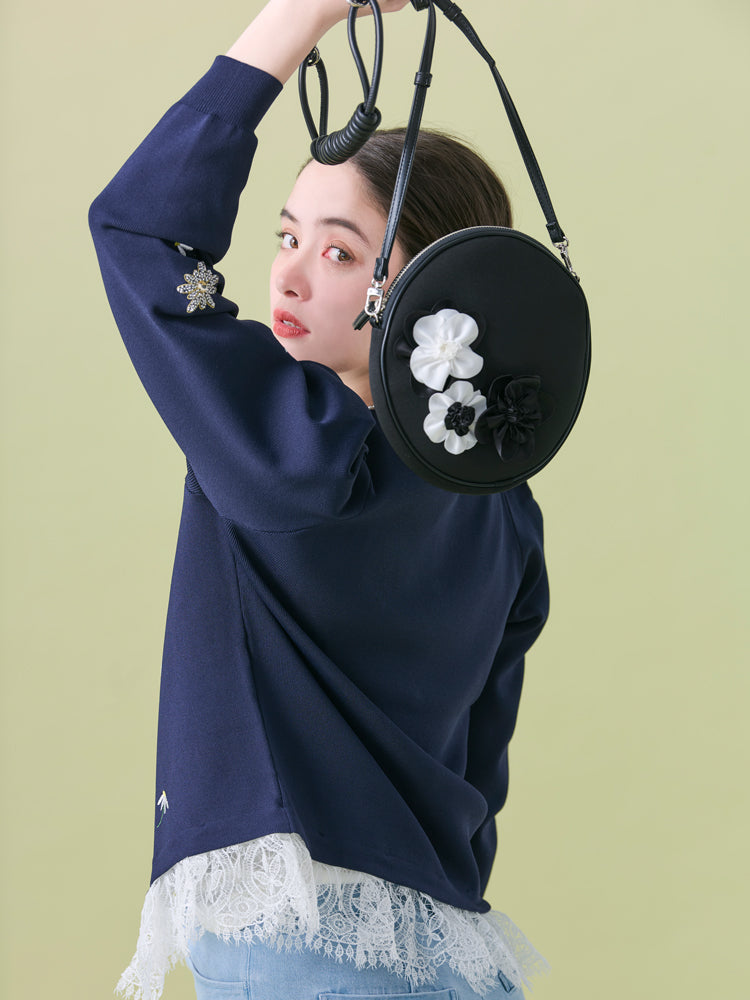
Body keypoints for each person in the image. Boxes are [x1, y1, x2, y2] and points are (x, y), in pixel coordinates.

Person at [89, 1, 550, 998]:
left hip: (300, 946)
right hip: (447, 956)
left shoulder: (288, 446)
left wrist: (301, 14)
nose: (289, 276)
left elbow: (136, 229)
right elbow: (480, 772)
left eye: (340, 252)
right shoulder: (503, 507)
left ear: (434, 291)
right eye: (287, 235)